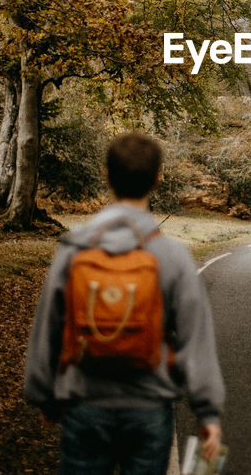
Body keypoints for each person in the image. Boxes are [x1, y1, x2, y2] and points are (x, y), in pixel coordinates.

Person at [24, 131, 225, 474]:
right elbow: (196, 340)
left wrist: (44, 395)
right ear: (157, 180)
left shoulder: (74, 249)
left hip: (84, 404)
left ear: (106, 177)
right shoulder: (172, 256)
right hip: (148, 408)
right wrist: (207, 412)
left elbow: (49, 326)